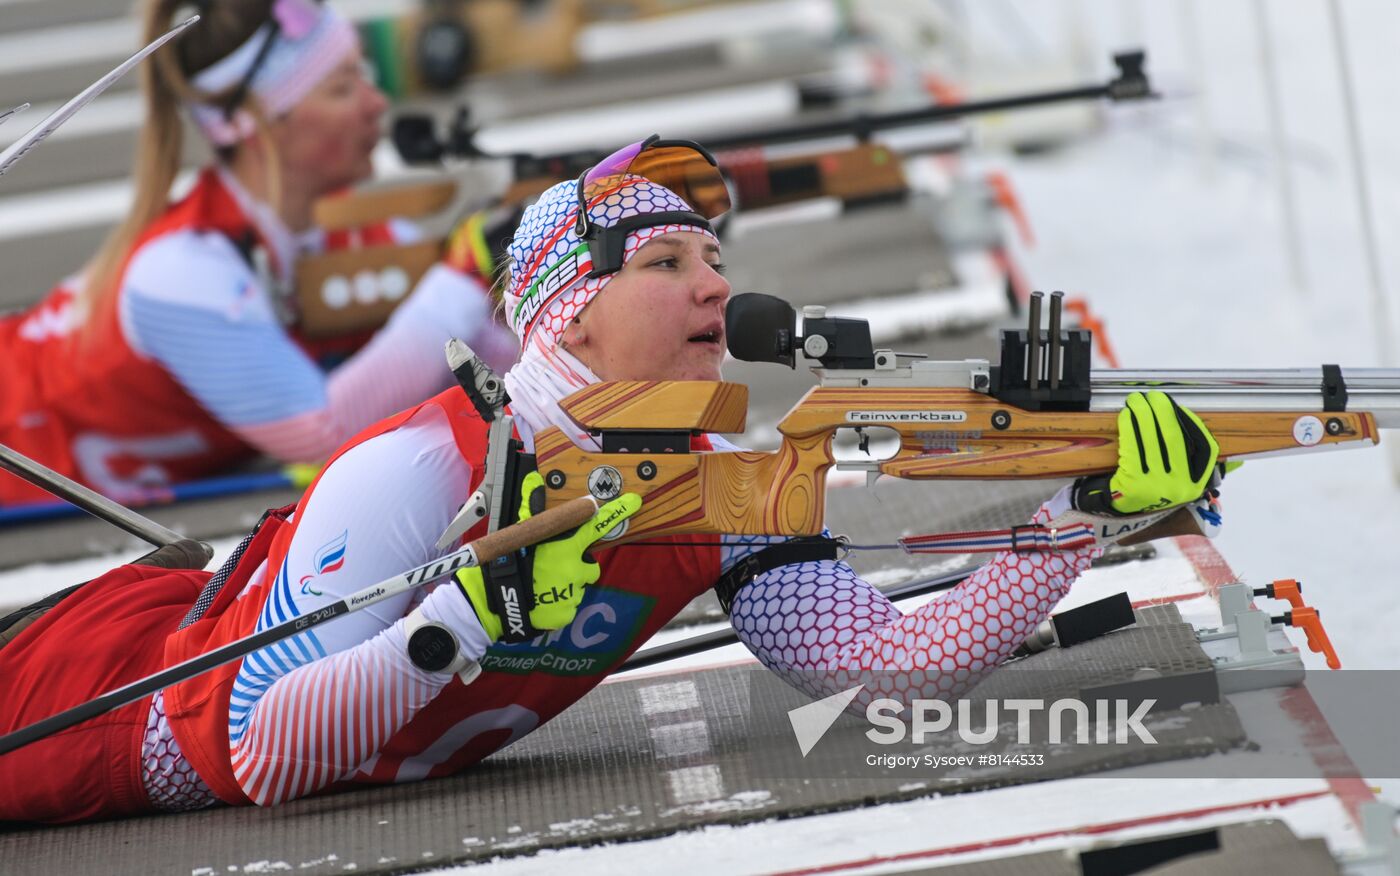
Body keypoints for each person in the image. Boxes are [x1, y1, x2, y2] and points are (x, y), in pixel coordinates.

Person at [0, 137, 1222, 823]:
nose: (712, 288)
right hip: (103, 712)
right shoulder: (417, 466)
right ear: (566, 319)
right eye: (665, 261)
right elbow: (254, 755)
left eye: (716, 260)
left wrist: (1075, 524)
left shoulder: (711, 484)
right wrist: (467, 621)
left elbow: (879, 668)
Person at [0, 0, 517, 506]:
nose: (376, 102)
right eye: (342, 87)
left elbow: (489, 349)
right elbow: (320, 432)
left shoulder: (343, 233)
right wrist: (466, 275)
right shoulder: (180, 271)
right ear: (255, 122)